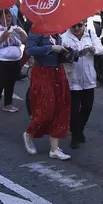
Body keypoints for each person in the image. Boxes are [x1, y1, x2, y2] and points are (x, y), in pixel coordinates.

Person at [23, 30, 71, 160]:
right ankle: (29, 133)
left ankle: (54, 149)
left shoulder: (57, 31)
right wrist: (50, 48)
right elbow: (29, 50)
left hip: (57, 71)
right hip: (42, 72)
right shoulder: (36, 30)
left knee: (60, 108)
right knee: (46, 109)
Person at [62, 19, 103, 149]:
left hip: (88, 77)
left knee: (87, 108)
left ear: (84, 24)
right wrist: (71, 54)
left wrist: (93, 49)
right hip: (72, 78)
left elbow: (101, 49)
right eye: (73, 25)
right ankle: (75, 135)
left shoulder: (91, 34)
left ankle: (79, 129)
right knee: (73, 110)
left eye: (80, 25)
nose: (77, 28)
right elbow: (61, 56)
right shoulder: (64, 38)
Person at [0, 7, 27, 113]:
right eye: (5, 16)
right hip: (0, 61)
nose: (7, 19)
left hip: (15, 61)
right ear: (0, 19)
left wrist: (22, 32)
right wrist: (2, 38)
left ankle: (8, 104)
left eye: (9, 16)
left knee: (11, 83)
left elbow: (25, 41)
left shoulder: (15, 28)